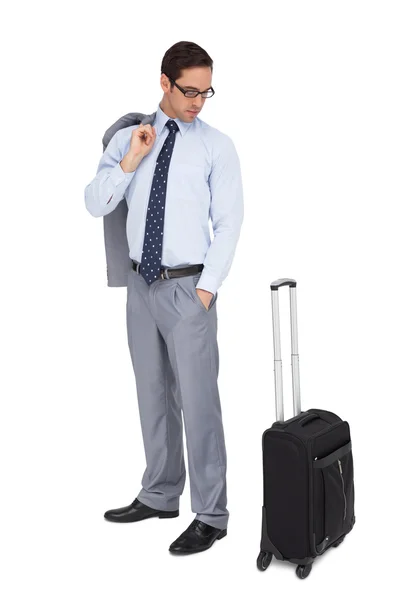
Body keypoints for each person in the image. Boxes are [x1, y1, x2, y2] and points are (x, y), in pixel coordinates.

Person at [84, 40, 244, 555]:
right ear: (164, 83)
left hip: (187, 287)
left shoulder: (217, 146)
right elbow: (95, 201)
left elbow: (229, 222)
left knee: (198, 404)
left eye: (206, 91)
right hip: (139, 285)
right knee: (151, 394)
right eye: (189, 90)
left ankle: (212, 514)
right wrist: (132, 158)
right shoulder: (131, 137)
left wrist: (205, 290)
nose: (198, 101)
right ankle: (159, 494)